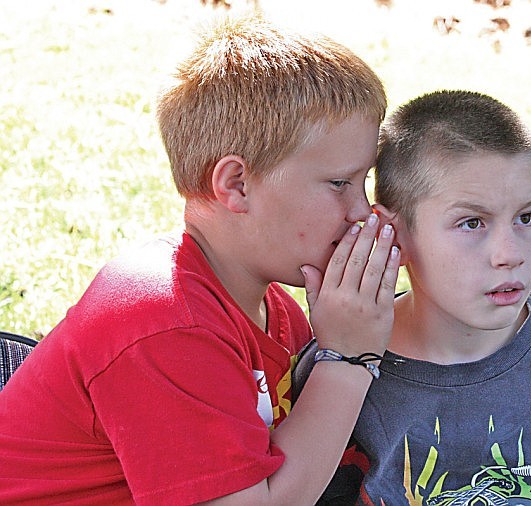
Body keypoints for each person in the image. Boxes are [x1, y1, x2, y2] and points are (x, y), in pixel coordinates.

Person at [0, 15, 400, 505]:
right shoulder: (164, 323)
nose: (361, 211)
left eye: (364, 183)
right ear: (236, 184)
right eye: (340, 183)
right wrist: (348, 358)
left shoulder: (281, 313)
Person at [295, 90, 531, 505]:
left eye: (526, 217)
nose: (510, 254)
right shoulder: (339, 369)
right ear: (393, 234)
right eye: (472, 223)